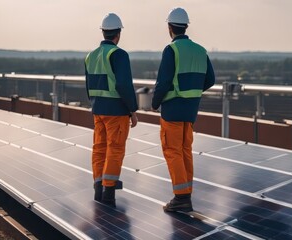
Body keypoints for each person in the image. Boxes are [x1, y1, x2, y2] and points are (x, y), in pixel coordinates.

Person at [152, 7, 215, 212]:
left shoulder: (171, 50)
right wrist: (193, 91)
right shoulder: (200, 50)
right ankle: (186, 192)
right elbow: (210, 79)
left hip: (172, 109)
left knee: (172, 151)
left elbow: (163, 82)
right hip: (190, 110)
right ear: (186, 26)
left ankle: (181, 197)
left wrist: (155, 102)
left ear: (170, 27)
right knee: (185, 150)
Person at [85, 13, 138, 206]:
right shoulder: (119, 55)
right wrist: (132, 109)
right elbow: (124, 85)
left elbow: (88, 86)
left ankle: (99, 188)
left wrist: (96, 104)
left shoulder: (91, 56)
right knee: (115, 150)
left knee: (99, 149)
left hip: (98, 110)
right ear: (118, 33)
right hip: (116, 112)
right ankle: (109, 192)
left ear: (103, 32)